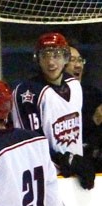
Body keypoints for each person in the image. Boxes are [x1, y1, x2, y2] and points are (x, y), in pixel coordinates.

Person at [12, 32, 95, 190]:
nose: (51, 62)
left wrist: (78, 161)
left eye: (56, 55)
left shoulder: (74, 85)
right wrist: (68, 160)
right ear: (38, 59)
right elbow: (29, 144)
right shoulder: (26, 93)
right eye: (45, 55)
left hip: (74, 176)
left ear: (65, 57)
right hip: (43, 180)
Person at [65, 45, 102, 173]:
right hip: (67, 165)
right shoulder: (51, 95)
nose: (78, 65)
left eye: (80, 60)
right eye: (72, 60)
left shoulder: (93, 93)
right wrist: (94, 120)